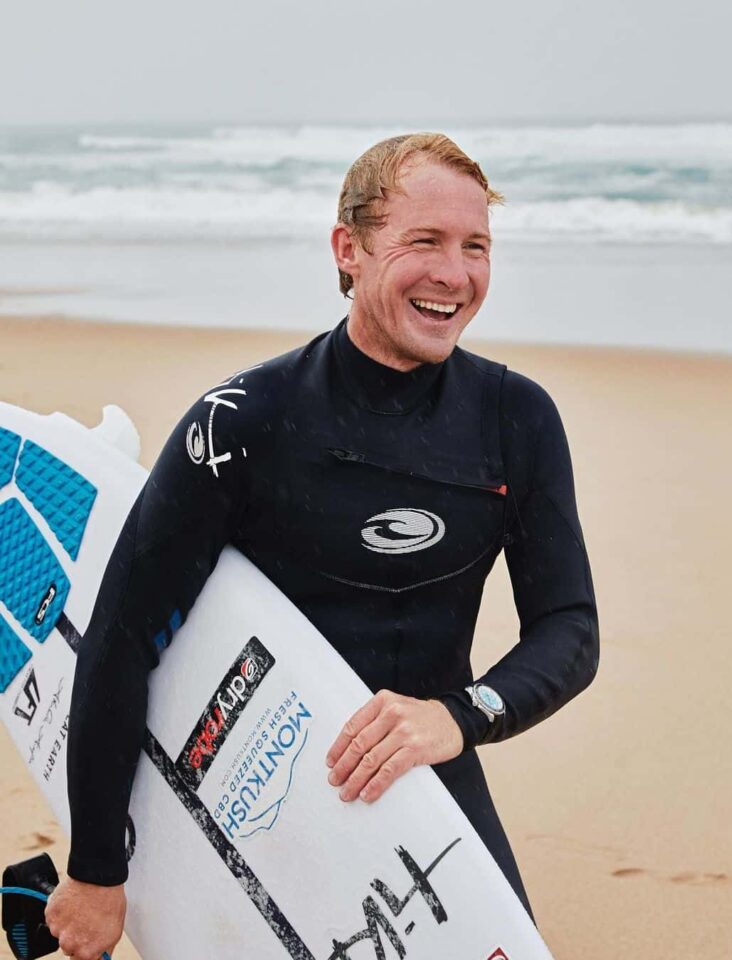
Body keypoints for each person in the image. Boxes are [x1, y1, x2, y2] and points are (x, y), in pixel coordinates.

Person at [46, 133, 599, 959]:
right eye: (425, 241)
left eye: (476, 247)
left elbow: (569, 628)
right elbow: (122, 642)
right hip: (248, 797)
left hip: (427, 785)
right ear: (349, 248)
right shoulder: (241, 425)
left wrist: (459, 716)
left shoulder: (514, 419)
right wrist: (96, 869)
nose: (455, 274)